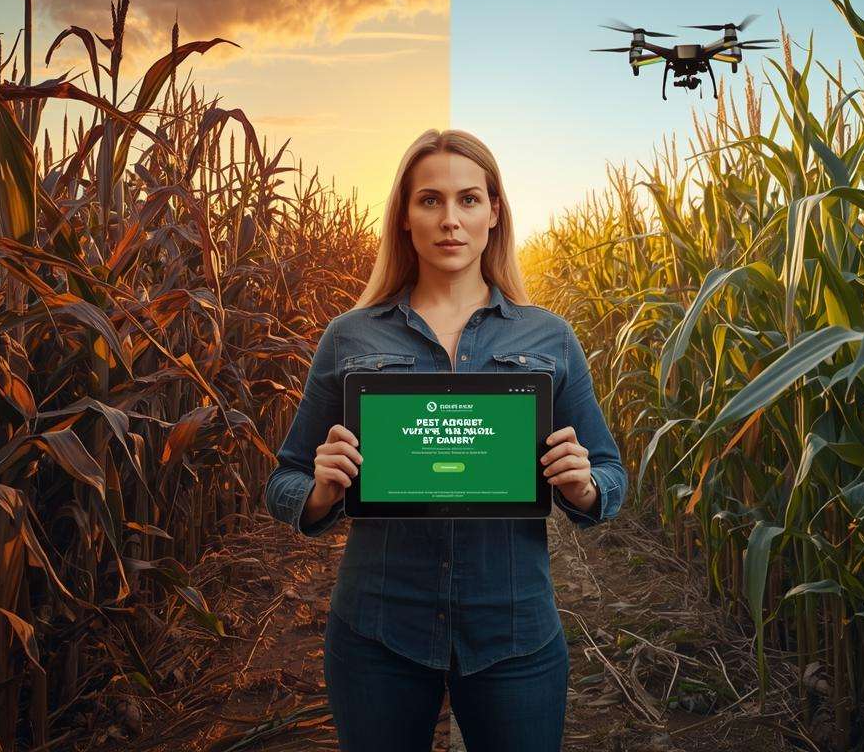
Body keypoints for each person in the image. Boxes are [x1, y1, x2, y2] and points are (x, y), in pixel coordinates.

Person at [262, 128, 626, 751]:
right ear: (404, 218)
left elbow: (611, 473)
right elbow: (285, 479)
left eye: (468, 200)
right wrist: (321, 491)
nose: (449, 220)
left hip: (513, 633)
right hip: (379, 632)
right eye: (429, 200)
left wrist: (585, 484)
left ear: (494, 214)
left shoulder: (549, 338)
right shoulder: (350, 337)